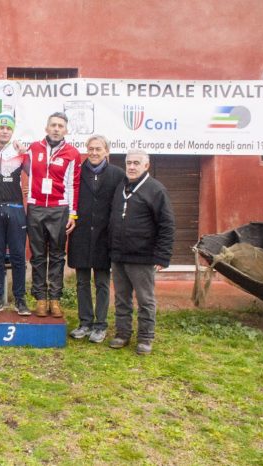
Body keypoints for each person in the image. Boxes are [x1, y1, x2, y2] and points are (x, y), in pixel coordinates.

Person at [108, 149, 175, 355]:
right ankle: (122, 333)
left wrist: (162, 256)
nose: (131, 166)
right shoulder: (121, 186)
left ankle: (145, 338)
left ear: (146, 166)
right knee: (121, 298)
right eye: (129, 163)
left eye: (137, 163)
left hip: (142, 257)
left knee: (145, 300)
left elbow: (167, 224)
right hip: (119, 255)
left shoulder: (156, 190)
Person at [67, 135, 125, 343]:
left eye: (98, 149)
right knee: (82, 282)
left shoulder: (118, 175)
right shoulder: (77, 172)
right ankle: (85, 323)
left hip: (104, 237)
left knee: (102, 282)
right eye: (90, 148)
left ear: (106, 151)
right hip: (80, 235)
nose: (93, 152)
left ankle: (100, 325)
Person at [26, 112, 81, 318]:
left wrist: (72, 214)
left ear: (66, 130)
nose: (57, 129)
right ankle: (40, 298)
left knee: (57, 256)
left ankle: (55, 299)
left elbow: (73, 185)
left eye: (60, 126)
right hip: (36, 207)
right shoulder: (33, 148)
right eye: (53, 125)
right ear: (46, 128)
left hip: (59, 208)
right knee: (38, 255)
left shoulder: (72, 153)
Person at [0, 113, 30, 316]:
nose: (4, 131)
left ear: (12, 132)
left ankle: (20, 300)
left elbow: (35, 172)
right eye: (1, 128)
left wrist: (26, 154)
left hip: (16, 208)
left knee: (19, 256)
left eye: (8, 128)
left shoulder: (19, 152)